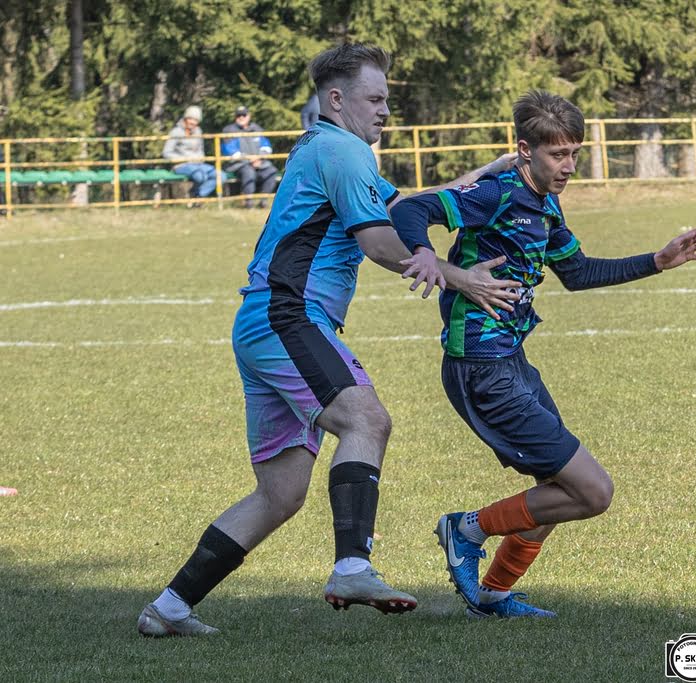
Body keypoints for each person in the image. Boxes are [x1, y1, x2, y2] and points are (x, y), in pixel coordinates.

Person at [137, 43, 520, 637]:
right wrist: (460, 277)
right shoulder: (343, 150)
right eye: (375, 98)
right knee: (367, 421)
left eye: (387, 99)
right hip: (288, 317)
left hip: (266, 322)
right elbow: (380, 242)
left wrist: (482, 177)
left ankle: (168, 608)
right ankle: (352, 568)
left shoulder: (330, 149)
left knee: (281, 493)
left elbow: (404, 208)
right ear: (337, 99)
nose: (385, 110)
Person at [391, 91, 696, 618]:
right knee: (592, 492)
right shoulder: (497, 193)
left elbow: (578, 271)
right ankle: (465, 529)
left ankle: (493, 595)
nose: (568, 166)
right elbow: (412, 209)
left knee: (558, 487)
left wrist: (657, 261)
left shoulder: (545, 202)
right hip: (480, 366)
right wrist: (426, 253)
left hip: (511, 360)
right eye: (558, 154)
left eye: (574, 154)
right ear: (525, 150)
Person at [221, 106, 279, 208]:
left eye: (244, 115)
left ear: (249, 116)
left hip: (260, 162)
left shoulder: (257, 129)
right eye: (238, 115)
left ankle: (264, 200)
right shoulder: (229, 130)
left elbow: (266, 147)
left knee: (271, 171)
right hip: (239, 165)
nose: (241, 117)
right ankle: (249, 202)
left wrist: (259, 158)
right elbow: (230, 150)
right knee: (248, 172)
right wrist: (249, 159)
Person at [162, 105, 223, 202]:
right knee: (200, 176)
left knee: (221, 176)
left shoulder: (198, 131)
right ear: (185, 118)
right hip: (181, 165)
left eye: (196, 120)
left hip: (198, 164)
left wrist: (201, 158)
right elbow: (166, 152)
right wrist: (184, 158)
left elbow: (200, 149)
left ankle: (198, 196)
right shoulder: (176, 132)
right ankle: (195, 196)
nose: (193, 122)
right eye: (190, 119)